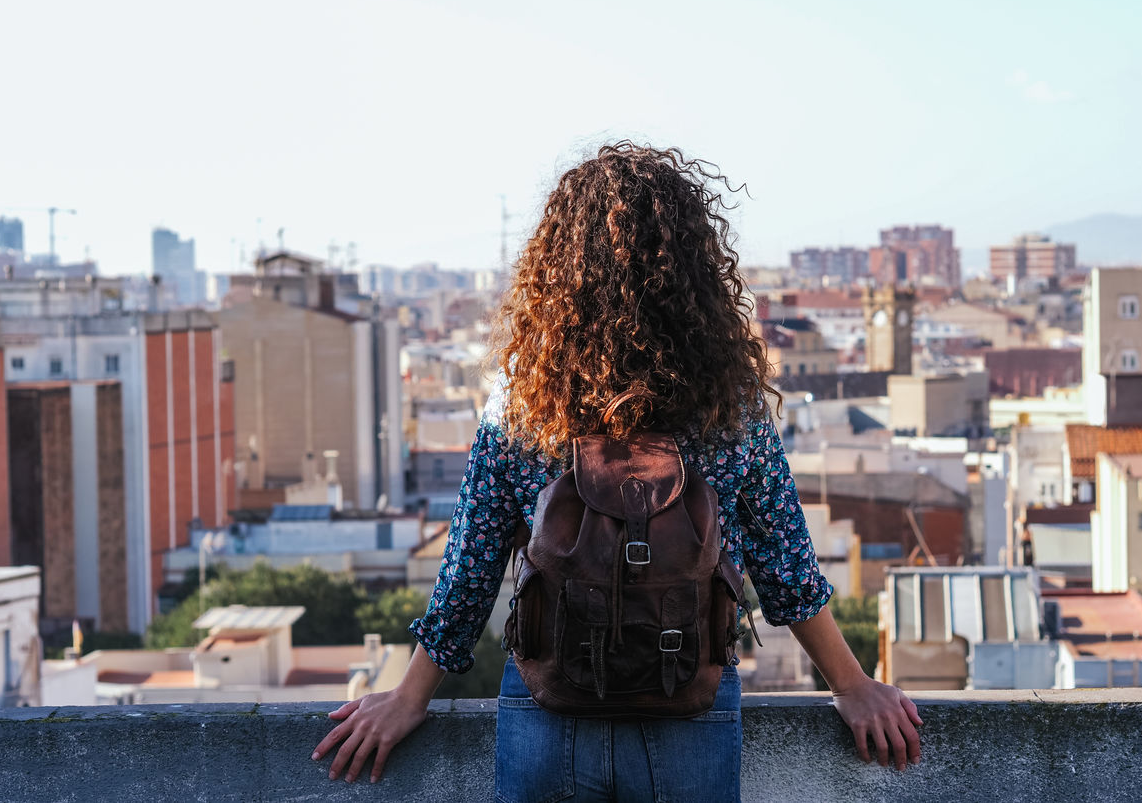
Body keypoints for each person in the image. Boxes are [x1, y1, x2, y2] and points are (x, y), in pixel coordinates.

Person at [312, 143, 923, 797]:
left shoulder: (521, 403)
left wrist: (410, 698)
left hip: (550, 703)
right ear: (691, 272)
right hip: (687, 699)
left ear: (555, 274)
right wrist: (853, 687)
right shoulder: (728, 404)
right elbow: (785, 565)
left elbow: (473, 562)